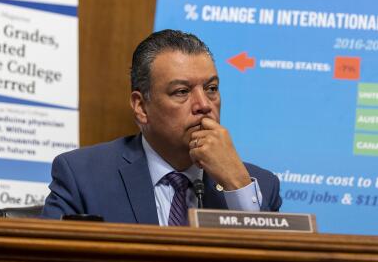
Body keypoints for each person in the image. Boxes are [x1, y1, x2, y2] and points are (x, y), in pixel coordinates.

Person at [41, 29, 281, 224]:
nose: (204, 105)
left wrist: (237, 186)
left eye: (211, 89)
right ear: (141, 107)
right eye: (182, 92)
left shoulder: (259, 186)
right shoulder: (83, 177)